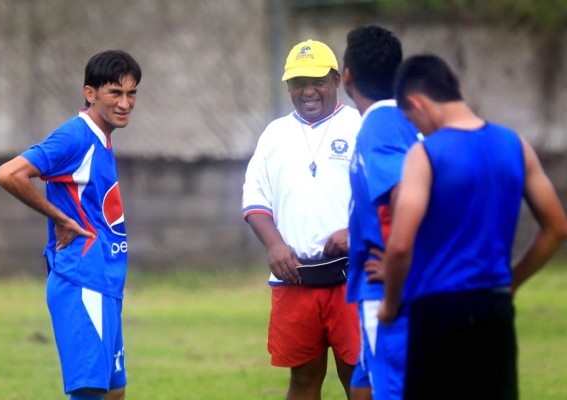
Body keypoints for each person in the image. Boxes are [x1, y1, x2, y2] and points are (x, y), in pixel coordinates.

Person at [379, 54, 567, 399]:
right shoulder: (515, 145)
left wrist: (390, 304)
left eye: (412, 119)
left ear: (416, 103)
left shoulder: (425, 155)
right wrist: (513, 280)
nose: (418, 129)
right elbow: (556, 227)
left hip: (437, 312)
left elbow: (401, 245)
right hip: (494, 309)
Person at [0, 50, 141, 400]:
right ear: (90, 94)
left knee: (114, 391)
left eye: (131, 93)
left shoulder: (102, 137)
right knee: (90, 393)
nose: (125, 103)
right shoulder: (75, 136)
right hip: (82, 281)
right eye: (115, 93)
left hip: (105, 281)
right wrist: (59, 217)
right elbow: (8, 174)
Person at [242, 39, 362, 399]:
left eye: (318, 81)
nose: (308, 91)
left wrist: (357, 232)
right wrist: (275, 245)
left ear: (336, 80)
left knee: (359, 378)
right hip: (295, 278)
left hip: (352, 277)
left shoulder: (359, 126)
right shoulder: (275, 134)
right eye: (298, 83)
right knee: (305, 378)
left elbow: (388, 197)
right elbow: (254, 196)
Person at [342, 26, 420, 400]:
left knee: (389, 389)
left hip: (386, 289)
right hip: (384, 286)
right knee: (363, 384)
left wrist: (397, 259)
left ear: (347, 77)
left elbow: (406, 190)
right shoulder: (403, 122)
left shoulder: (380, 128)